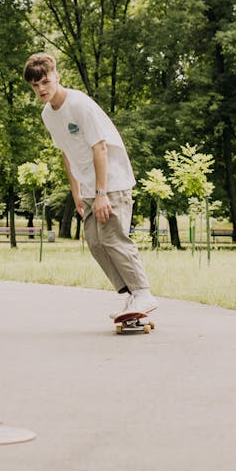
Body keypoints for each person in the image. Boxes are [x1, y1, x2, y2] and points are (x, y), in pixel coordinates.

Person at [23, 52, 158, 322]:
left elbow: (100, 147)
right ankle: (133, 297)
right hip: (87, 187)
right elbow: (66, 153)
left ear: (57, 77)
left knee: (112, 237)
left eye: (45, 82)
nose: (41, 89)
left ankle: (143, 292)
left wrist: (101, 193)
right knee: (96, 242)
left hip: (112, 182)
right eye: (35, 86)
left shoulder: (79, 104)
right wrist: (77, 192)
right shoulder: (48, 115)